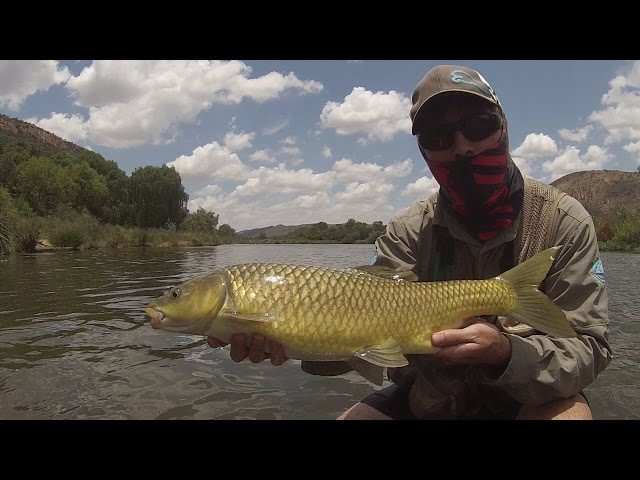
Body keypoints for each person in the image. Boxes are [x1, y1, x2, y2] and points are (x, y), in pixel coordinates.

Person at [208, 64, 612, 420]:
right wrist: (293, 340)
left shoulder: (564, 221)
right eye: (439, 136)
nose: (462, 146)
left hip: (531, 397)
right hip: (428, 400)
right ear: (424, 151)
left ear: (503, 125)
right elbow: (359, 345)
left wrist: (507, 353)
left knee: (571, 415)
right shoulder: (406, 230)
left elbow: (589, 351)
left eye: (478, 124)